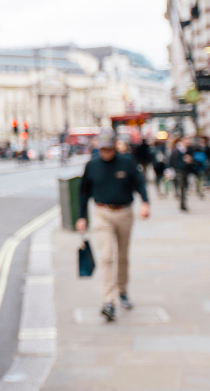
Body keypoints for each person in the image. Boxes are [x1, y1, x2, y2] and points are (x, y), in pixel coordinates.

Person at [76, 130, 150, 322]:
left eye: (109, 149)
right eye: (103, 149)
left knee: (123, 256)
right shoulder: (92, 165)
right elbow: (84, 192)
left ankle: (122, 291)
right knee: (107, 256)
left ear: (115, 146)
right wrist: (81, 217)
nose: (106, 152)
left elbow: (139, 182)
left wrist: (145, 202)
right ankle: (108, 301)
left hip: (124, 213)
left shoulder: (126, 162)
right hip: (102, 213)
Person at [169, 137, 193, 211]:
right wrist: (170, 169)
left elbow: (192, 159)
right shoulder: (176, 149)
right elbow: (171, 160)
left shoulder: (188, 149)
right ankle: (182, 202)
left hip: (186, 171)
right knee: (182, 186)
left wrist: (190, 160)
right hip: (178, 170)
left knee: (185, 187)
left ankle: (183, 202)